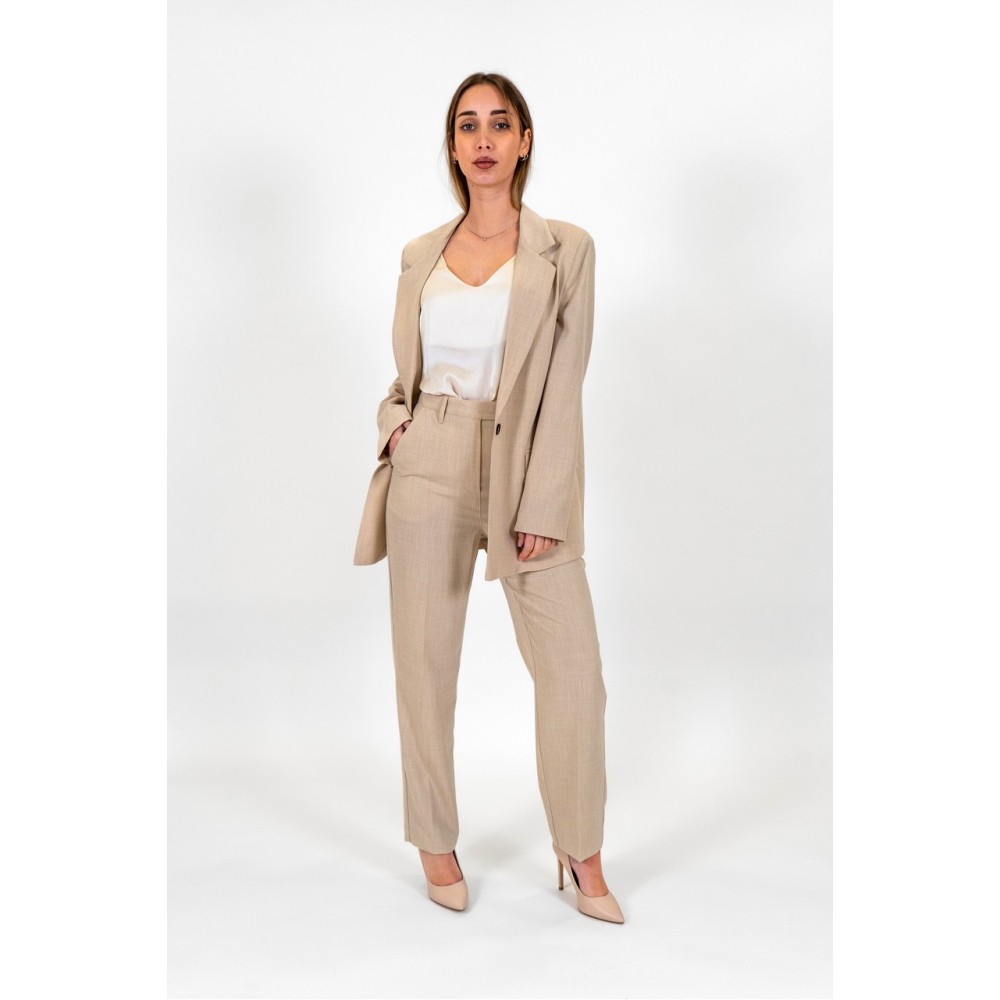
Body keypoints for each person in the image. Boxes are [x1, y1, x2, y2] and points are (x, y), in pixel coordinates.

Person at [353, 71, 623, 924]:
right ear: (452, 144)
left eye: (499, 124)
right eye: (467, 125)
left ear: (524, 141)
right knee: (425, 668)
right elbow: (404, 375)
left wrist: (543, 503)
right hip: (429, 462)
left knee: (574, 673)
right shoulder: (419, 255)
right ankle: (434, 840)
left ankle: (581, 850)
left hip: (526, 469)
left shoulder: (566, 249)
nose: (483, 139)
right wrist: (397, 428)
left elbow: (565, 384)